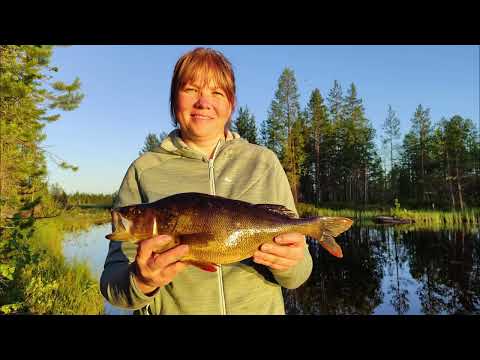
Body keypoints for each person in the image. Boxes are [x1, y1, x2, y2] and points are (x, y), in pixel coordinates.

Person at [100, 47, 313, 315]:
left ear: (231, 104)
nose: (203, 102)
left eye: (217, 93)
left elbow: (299, 273)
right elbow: (112, 287)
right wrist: (141, 282)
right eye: (191, 90)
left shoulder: (264, 163)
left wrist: (291, 264)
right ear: (173, 99)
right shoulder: (143, 171)